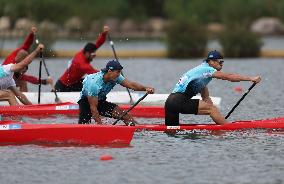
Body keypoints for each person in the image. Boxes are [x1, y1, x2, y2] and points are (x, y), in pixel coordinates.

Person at [165, 50, 261, 126]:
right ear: (211, 61)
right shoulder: (206, 69)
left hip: (170, 103)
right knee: (212, 109)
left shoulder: (201, 74)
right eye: (220, 62)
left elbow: (206, 98)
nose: (222, 64)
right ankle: (229, 128)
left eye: (222, 62)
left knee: (172, 130)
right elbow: (228, 76)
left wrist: (217, 117)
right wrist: (250, 78)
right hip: (178, 101)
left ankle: (223, 125)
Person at [78, 60, 155, 125]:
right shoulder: (94, 84)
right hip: (86, 102)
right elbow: (93, 108)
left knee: (125, 116)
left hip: (100, 101)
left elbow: (131, 85)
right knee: (84, 126)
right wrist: (101, 126)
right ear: (109, 71)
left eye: (120, 72)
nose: (119, 74)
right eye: (117, 72)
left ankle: (139, 130)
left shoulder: (116, 76)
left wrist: (145, 88)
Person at [55, 25, 110, 92]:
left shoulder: (84, 52)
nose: (94, 57)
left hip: (73, 82)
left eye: (95, 55)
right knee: (93, 82)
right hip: (62, 87)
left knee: (91, 82)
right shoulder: (81, 62)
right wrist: (109, 74)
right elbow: (94, 73)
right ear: (87, 53)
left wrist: (104, 34)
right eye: (93, 55)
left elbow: (98, 43)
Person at [2, 26, 53, 92]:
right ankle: (19, 98)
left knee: (22, 82)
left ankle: (23, 98)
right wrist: (44, 81)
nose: (24, 69)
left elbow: (27, 44)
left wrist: (32, 34)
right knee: (23, 82)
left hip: (9, 80)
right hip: (3, 81)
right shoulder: (12, 66)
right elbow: (28, 78)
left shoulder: (20, 53)